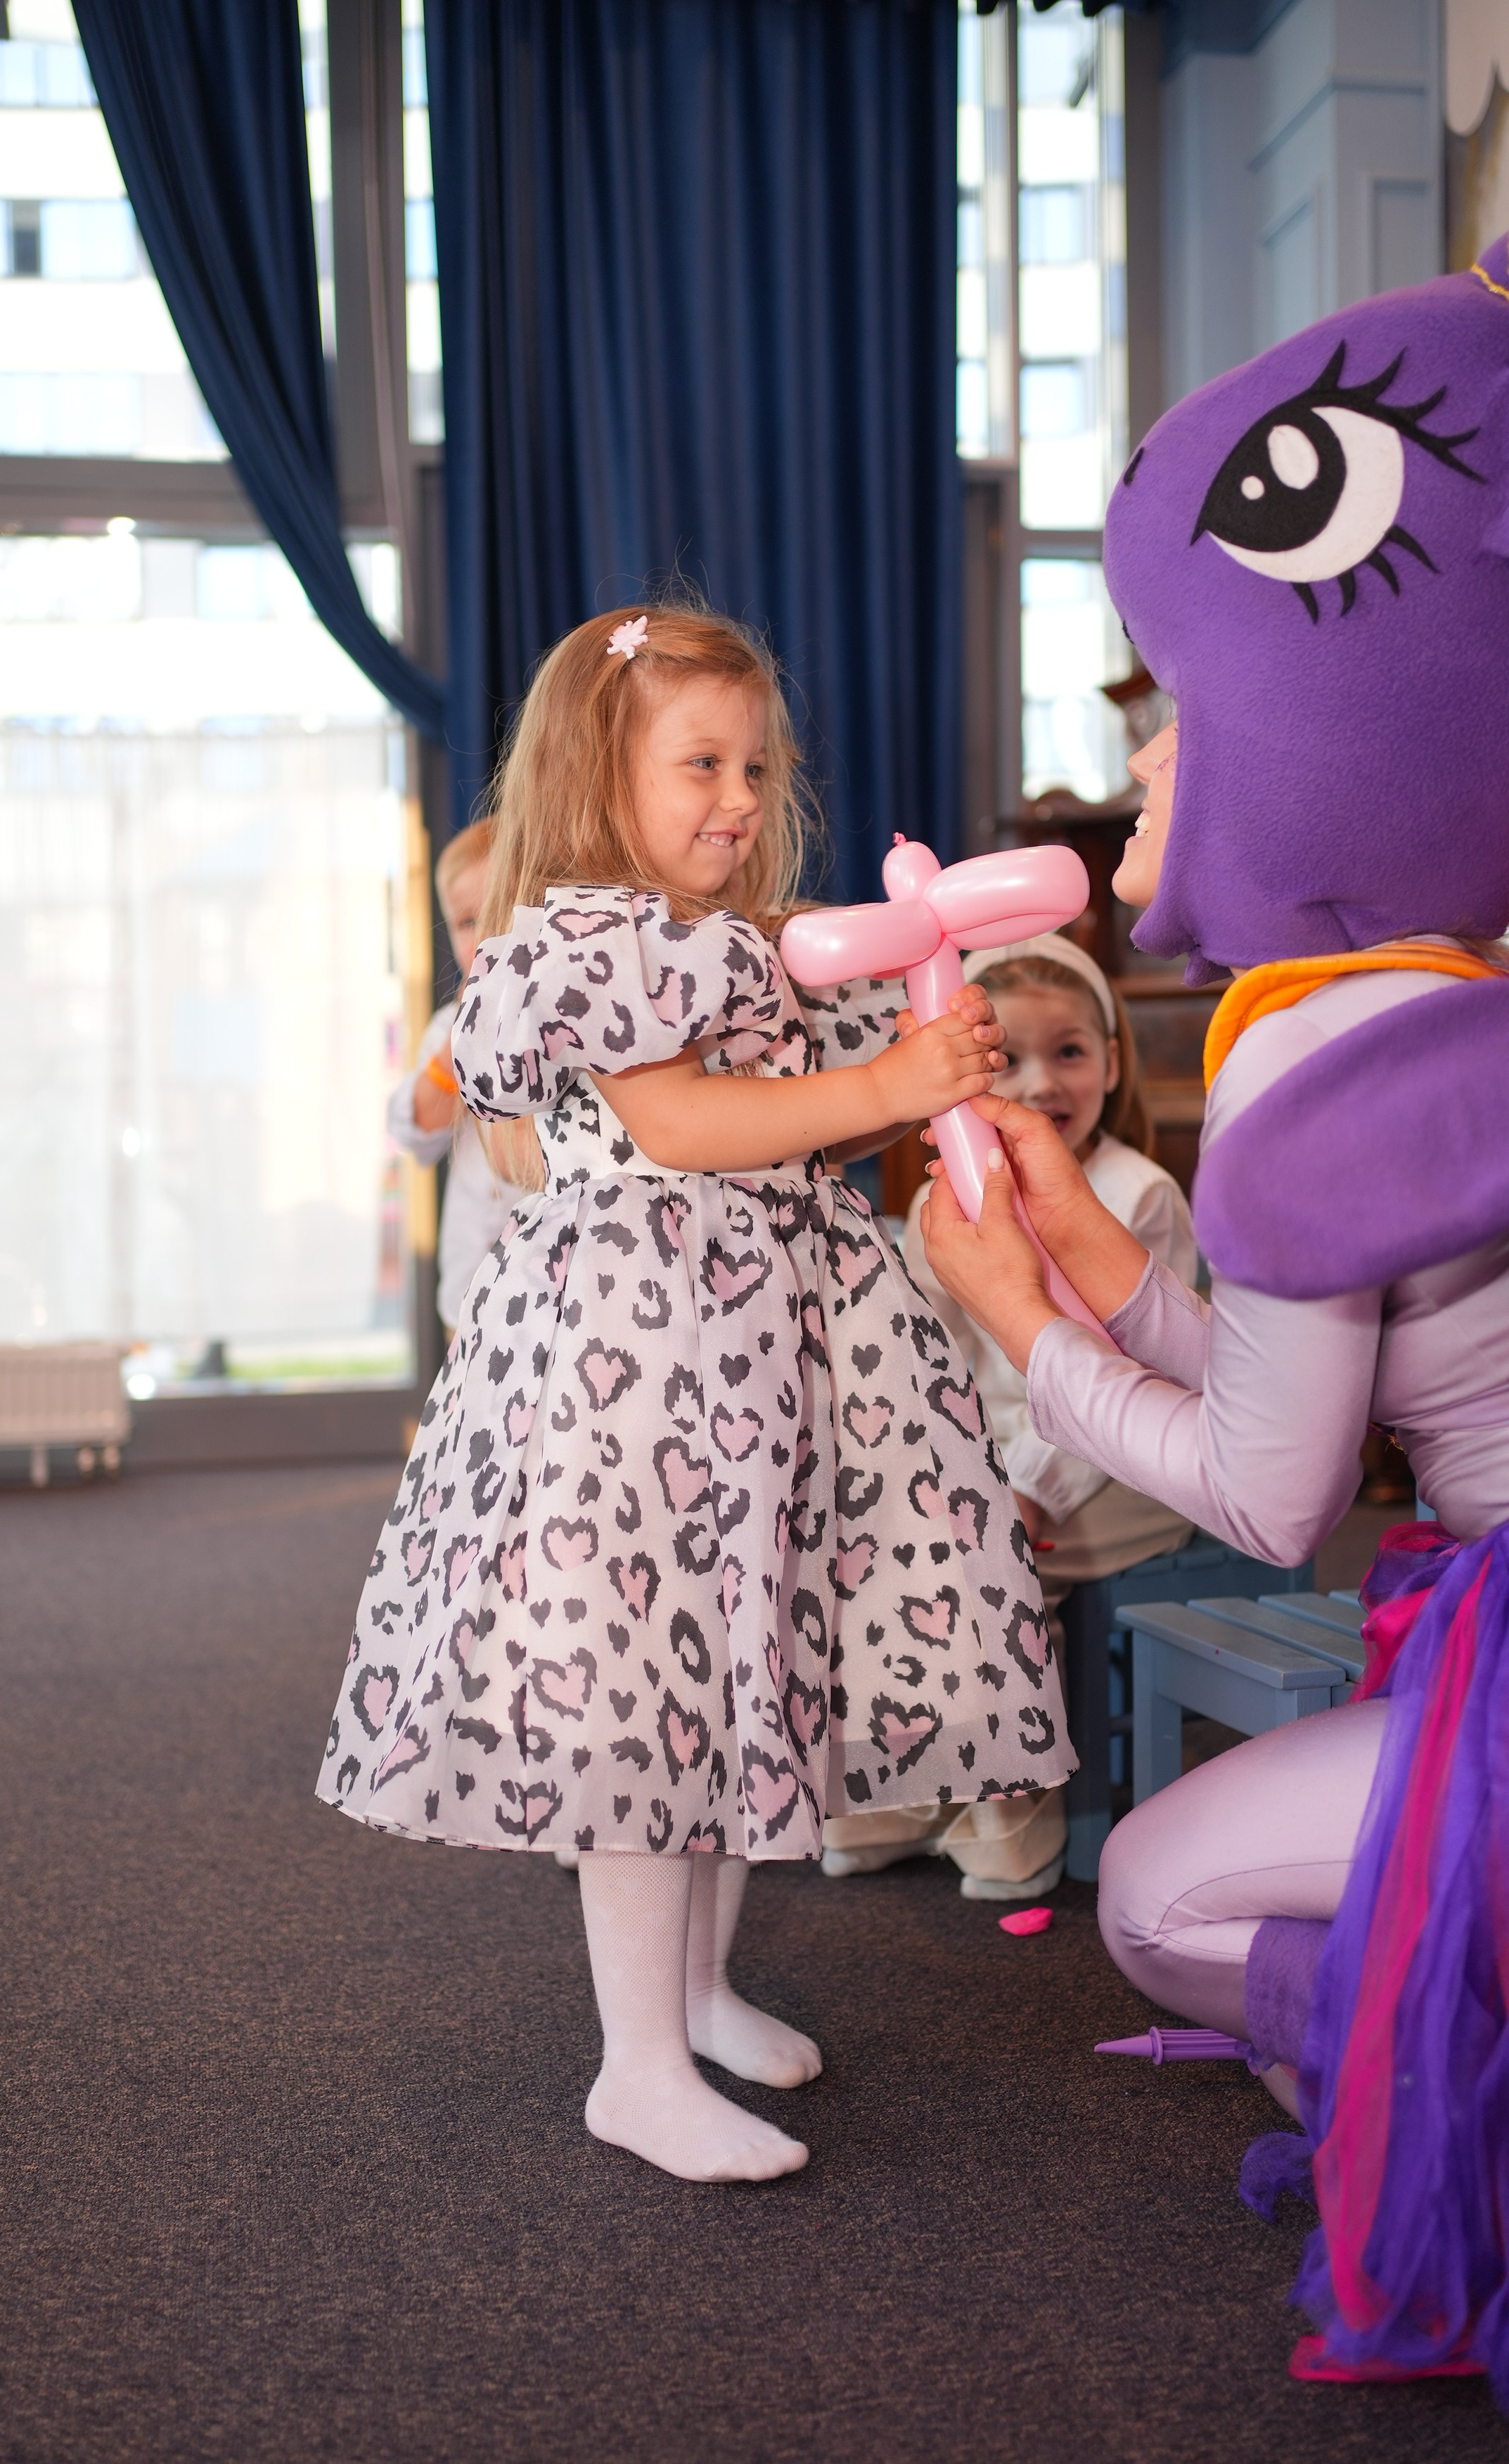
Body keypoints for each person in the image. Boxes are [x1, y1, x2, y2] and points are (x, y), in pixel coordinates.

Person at [916, 238, 1509, 2392]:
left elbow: (1265, 1494)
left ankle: (1447, 2073)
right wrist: (1071, 1223)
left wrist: (1019, 1309)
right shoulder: (1406, 999)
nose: (1141, 764)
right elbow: (1290, 1354)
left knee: (1152, 1893)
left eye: (1177, 710)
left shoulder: (1305, 1054)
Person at [317, 601, 1070, 2184]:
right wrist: (877, 1089)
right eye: (702, 763)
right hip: (635, 1376)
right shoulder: (587, 942)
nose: (739, 794)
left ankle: (703, 1994)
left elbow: (795, 1126)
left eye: (757, 762)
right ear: (603, 776)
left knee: (743, 1676)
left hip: (759, 1356)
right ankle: (634, 2065)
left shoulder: (749, 942)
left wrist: (920, 1067)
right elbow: (674, 1124)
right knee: (644, 1711)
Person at [821, 933, 1196, 1896]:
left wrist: (1024, 1487)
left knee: (994, 1560)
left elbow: (1114, 1372)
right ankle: (907, 1785)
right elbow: (920, 1349)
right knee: (878, 1546)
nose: (1039, 1081)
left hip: (1117, 1464)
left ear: (1113, 1066)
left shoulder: (1134, 1194)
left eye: (1070, 1052)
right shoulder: (962, 1183)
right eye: (1006, 1056)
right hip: (992, 1459)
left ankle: (1008, 1817)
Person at [388, 818, 515, 1341]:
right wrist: (460, 1042)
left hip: (552, 1287)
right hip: (467, 1296)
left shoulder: (570, 1018)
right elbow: (416, 1127)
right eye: (467, 922)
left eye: (501, 910)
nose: (486, 935)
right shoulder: (448, 1027)